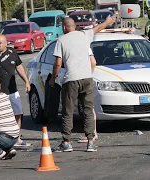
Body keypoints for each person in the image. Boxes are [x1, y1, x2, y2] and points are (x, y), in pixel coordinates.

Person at [49, 16, 115, 152]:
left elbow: (58, 64)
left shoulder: (61, 40)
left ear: (63, 28)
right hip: (87, 79)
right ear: (74, 26)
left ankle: (66, 142)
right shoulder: (84, 35)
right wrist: (108, 22)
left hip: (71, 80)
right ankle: (90, 142)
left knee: (68, 111)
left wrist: (53, 79)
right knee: (88, 110)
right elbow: (97, 28)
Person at [77, 48, 98, 143]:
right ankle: (93, 133)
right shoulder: (85, 45)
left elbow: (93, 62)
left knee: (88, 108)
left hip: (81, 79)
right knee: (89, 108)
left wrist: (88, 74)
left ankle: (92, 134)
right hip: (87, 79)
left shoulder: (83, 46)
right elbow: (93, 62)